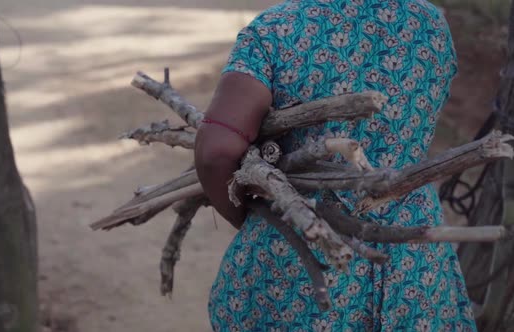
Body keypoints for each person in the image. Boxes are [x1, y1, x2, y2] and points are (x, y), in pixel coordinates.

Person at [194, 0, 476, 331]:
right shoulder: (432, 26)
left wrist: (253, 214)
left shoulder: (277, 30)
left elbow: (215, 153)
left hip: (300, 270)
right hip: (415, 267)